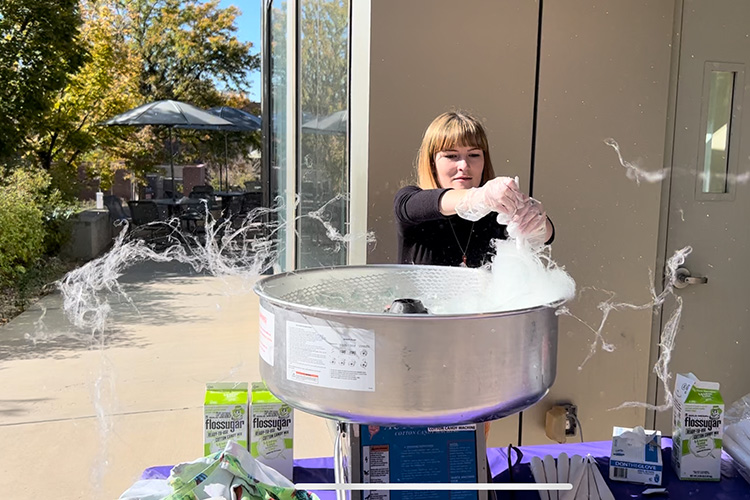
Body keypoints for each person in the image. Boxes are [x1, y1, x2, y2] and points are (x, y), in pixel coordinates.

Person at [394, 111, 554, 268]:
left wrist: (535, 220)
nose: (463, 165)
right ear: (432, 163)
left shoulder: (497, 213)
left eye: (474, 155)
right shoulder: (410, 201)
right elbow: (424, 204)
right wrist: (480, 197)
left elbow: (546, 236)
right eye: (451, 156)